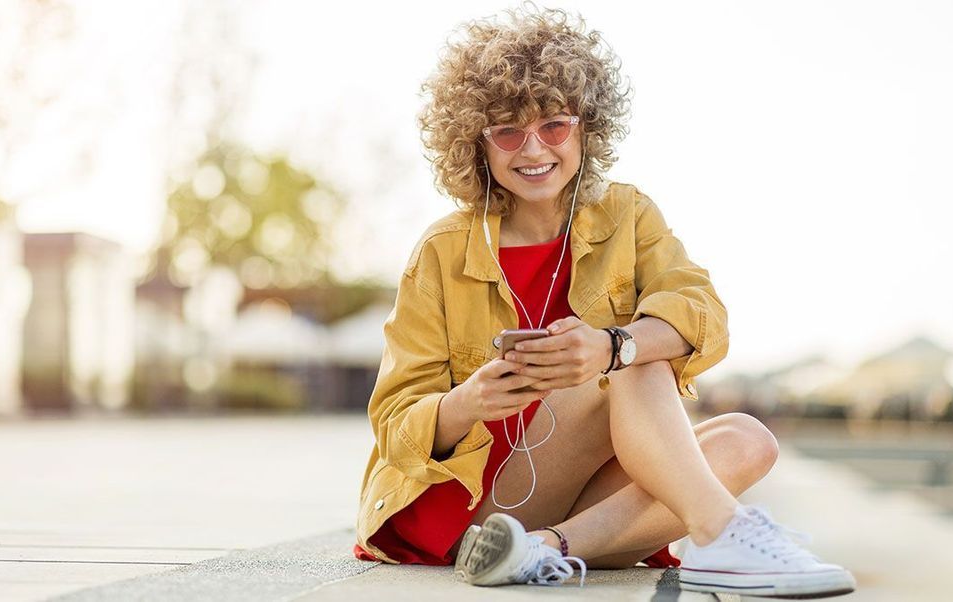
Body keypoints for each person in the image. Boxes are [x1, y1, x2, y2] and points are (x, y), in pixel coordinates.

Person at [353, 5, 855, 598]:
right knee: (632, 362)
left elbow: (703, 312)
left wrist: (612, 345)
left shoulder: (626, 213)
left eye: (554, 126)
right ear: (477, 146)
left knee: (747, 440)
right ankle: (723, 534)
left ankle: (537, 550)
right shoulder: (441, 251)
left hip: (561, 496)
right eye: (508, 132)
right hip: (462, 500)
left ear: (586, 127)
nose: (533, 148)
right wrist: (468, 402)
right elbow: (392, 422)